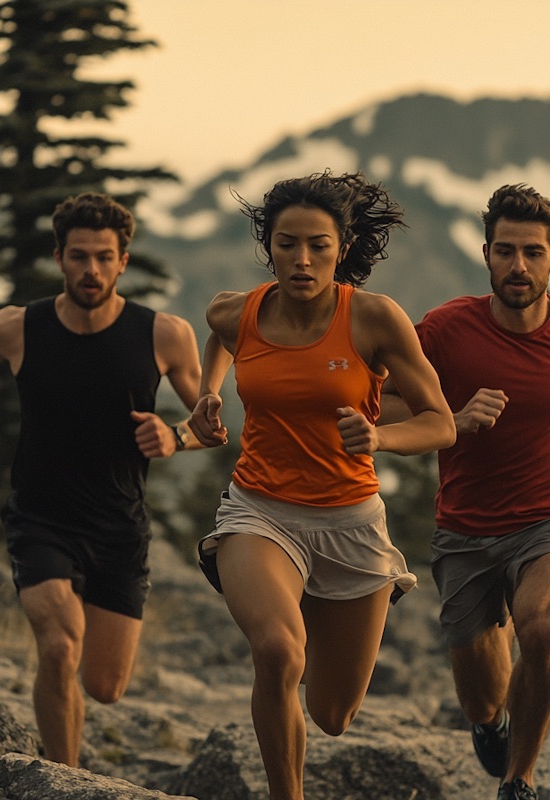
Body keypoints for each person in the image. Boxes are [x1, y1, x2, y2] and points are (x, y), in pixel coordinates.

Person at [184, 171, 456, 800]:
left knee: (333, 715)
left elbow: (441, 423)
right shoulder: (239, 310)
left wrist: (380, 438)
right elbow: (222, 337)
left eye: (318, 246)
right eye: (286, 245)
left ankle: (311, 602)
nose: (301, 260)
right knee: (279, 653)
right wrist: (206, 393)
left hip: (350, 522)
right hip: (260, 513)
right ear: (269, 245)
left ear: (343, 247)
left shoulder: (373, 320)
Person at [382, 183, 550, 800]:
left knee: (545, 630)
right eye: (504, 252)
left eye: (531, 253)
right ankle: (490, 723)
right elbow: (378, 397)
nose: (517, 266)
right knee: (480, 695)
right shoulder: (443, 331)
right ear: (486, 255)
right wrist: (451, 417)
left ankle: (519, 780)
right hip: (465, 529)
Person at [0, 192, 203, 768]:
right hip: (41, 518)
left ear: (123, 262)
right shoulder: (20, 328)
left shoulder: (163, 335)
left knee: (105, 685)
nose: (92, 270)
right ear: (59, 257)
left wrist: (175, 437)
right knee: (60, 645)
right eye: (80, 256)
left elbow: (212, 426)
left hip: (119, 527)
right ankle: (63, 779)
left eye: (105, 257)